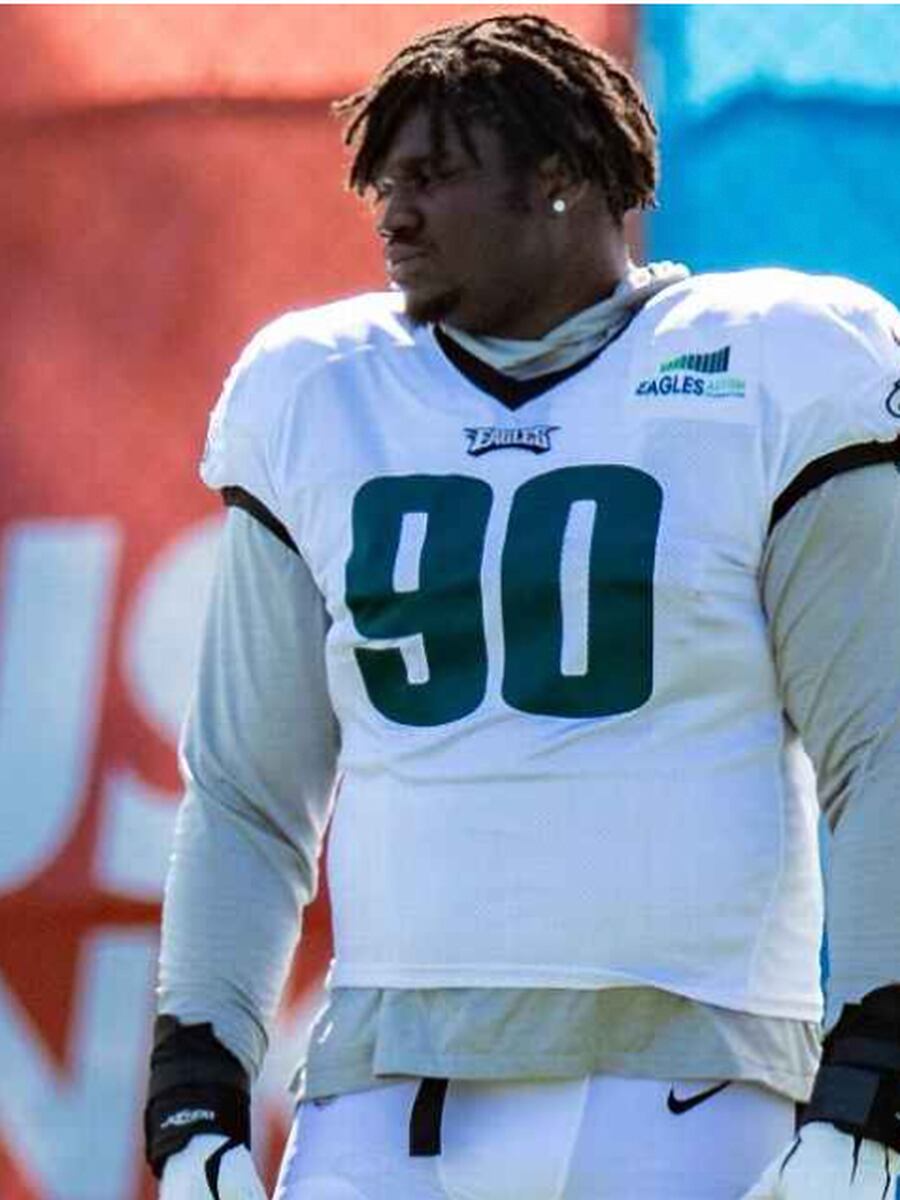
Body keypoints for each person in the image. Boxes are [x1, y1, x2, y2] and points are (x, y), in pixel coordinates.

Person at [144, 13, 900, 1200]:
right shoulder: (322, 392)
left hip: (691, 1086)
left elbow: (883, 743)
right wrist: (196, 1085)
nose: (393, 213)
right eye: (383, 181)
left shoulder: (772, 364)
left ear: (562, 176)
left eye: (433, 177)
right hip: (385, 1093)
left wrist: (874, 1078)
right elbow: (248, 790)